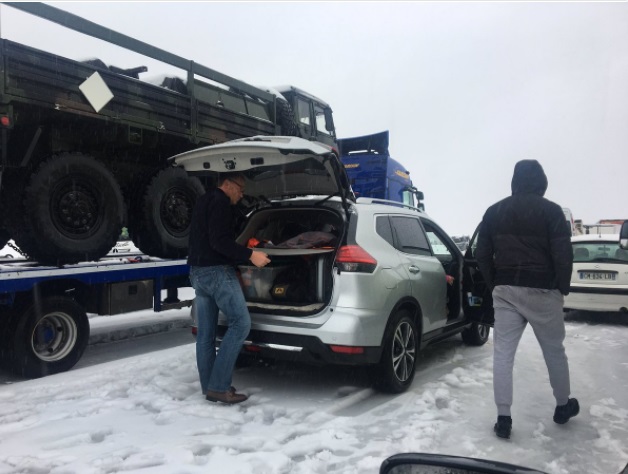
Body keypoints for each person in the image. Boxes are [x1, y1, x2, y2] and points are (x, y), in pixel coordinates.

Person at [475, 159, 579, 439]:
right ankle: (563, 405)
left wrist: (495, 282)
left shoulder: (494, 212)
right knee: (554, 350)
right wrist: (562, 287)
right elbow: (563, 254)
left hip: (506, 291)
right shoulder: (552, 212)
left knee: (503, 355)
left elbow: (481, 253)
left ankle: (503, 417)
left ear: (515, 181)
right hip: (544, 290)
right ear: (541, 182)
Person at [188, 173, 270, 404]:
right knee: (241, 324)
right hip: (216, 273)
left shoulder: (204, 200)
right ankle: (219, 387)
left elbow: (207, 237)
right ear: (227, 184)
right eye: (240, 189)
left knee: (205, 335)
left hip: (197, 272)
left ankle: (210, 386)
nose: (241, 194)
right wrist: (251, 255)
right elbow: (220, 242)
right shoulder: (221, 202)